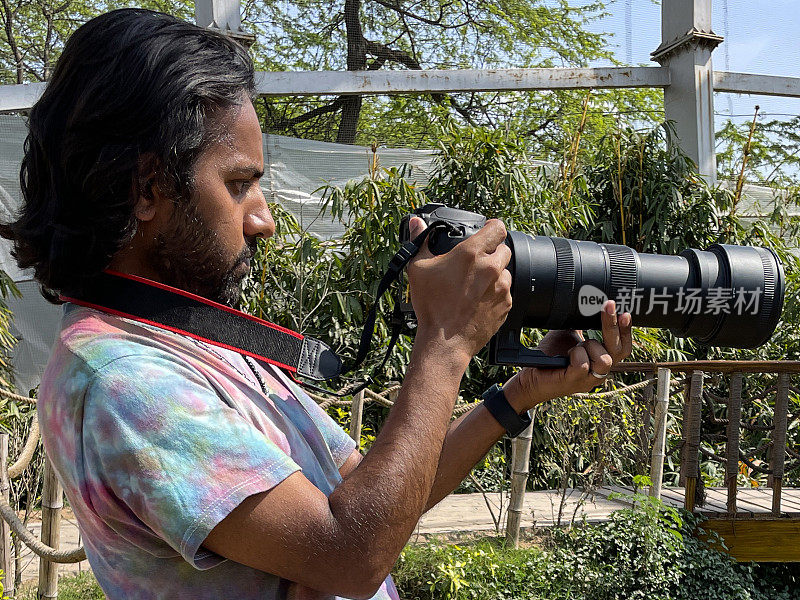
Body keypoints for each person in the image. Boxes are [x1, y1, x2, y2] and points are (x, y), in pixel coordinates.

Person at [0, 8, 632, 600]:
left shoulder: (185, 343)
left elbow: (376, 500)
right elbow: (350, 554)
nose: (264, 219)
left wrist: (515, 396)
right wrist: (445, 343)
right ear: (146, 188)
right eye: (240, 185)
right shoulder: (125, 382)